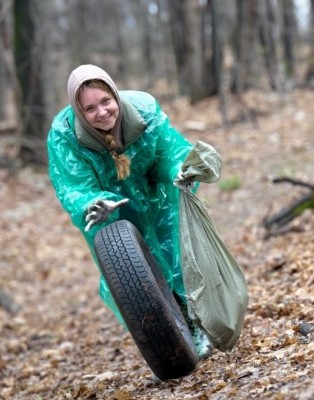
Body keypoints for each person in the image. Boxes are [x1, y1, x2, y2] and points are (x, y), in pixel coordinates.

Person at [47, 64, 211, 356]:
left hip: (156, 198)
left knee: (175, 258)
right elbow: (72, 185)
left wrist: (180, 171)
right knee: (134, 282)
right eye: (90, 108)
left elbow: (169, 152)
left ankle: (196, 326)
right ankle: (164, 338)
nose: (102, 112)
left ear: (116, 95)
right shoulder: (65, 136)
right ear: (78, 111)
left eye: (106, 101)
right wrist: (90, 203)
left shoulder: (144, 112)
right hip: (110, 213)